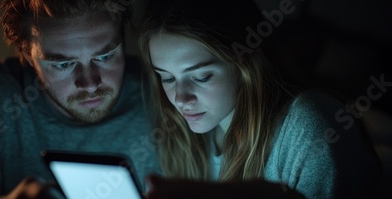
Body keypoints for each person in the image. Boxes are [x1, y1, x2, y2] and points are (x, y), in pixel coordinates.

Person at [138, 0, 384, 198]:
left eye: (201, 77)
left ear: (245, 65)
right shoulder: (183, 137)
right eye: (167, 78)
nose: (181, 99)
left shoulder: (310, 128)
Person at [0, 0, 161, 198]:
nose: (90, 83)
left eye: (106, 56)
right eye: (63, 64)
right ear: (28, 55)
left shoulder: (163, 89)